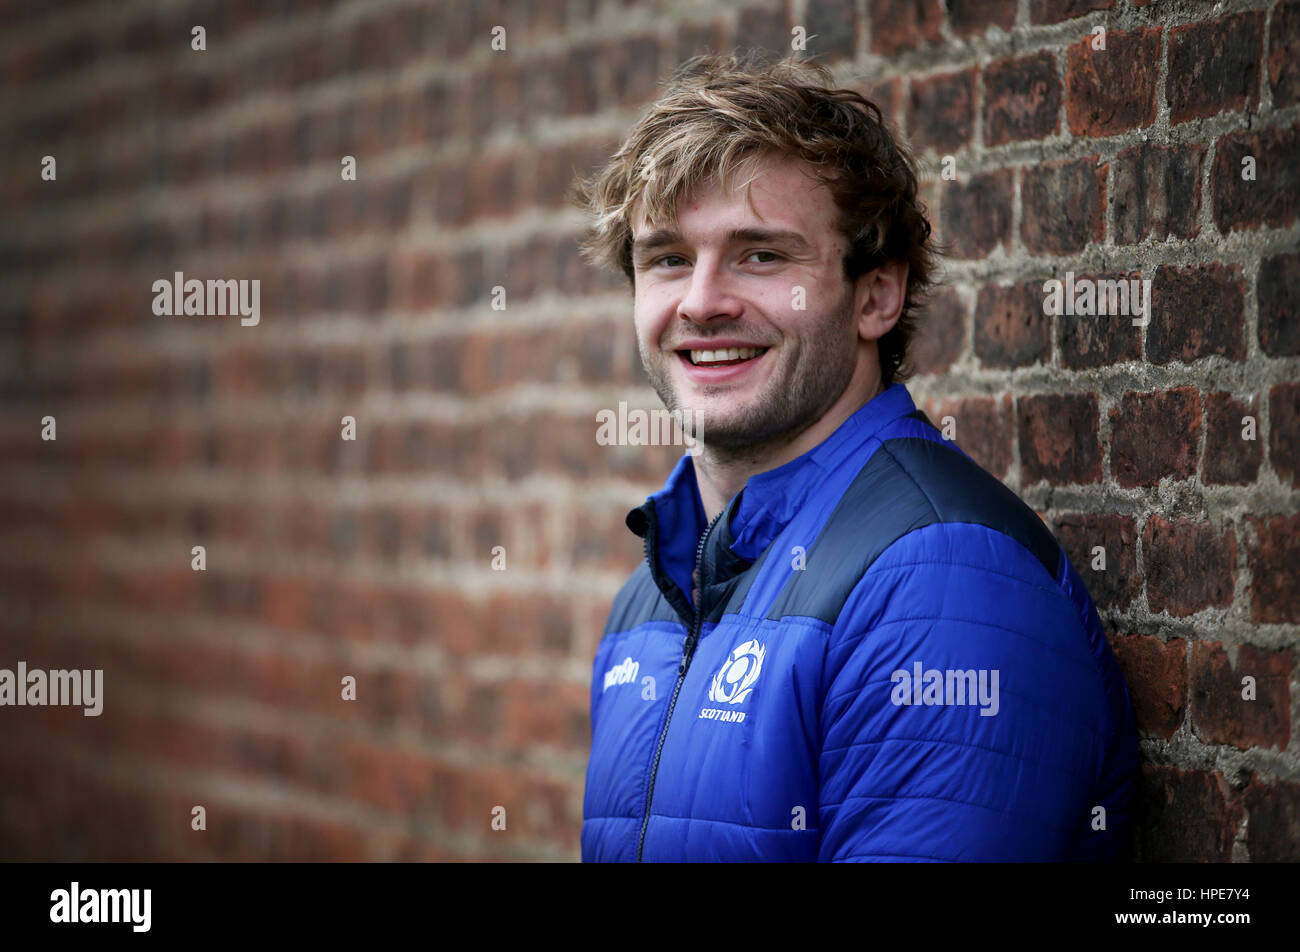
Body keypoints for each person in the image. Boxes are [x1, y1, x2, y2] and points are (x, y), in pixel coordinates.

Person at [569, 52, 1138, 862]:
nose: (701, 301)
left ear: (877, 296)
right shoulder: (654, 594)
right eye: (666, 258)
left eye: (761, 255)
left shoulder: (940, 579)